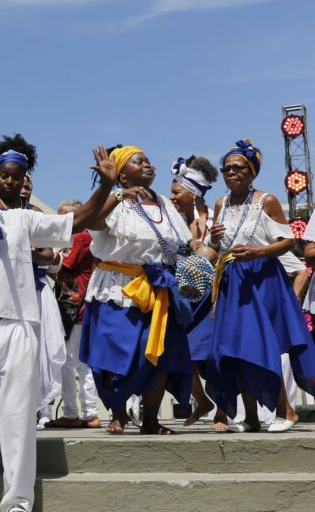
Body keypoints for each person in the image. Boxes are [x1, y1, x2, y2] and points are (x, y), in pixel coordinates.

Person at [0, 152, 115, 512]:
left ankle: (18, 501)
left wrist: (108, 184)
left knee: (18, 419)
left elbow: (77, 221)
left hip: (17, 327)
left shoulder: (19, 218)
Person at [78, 145, 197, 435]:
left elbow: (181, 243)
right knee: (113, 353)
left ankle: (151, 420)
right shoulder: (113, 200)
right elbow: (92, 222)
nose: (148, 164)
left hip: (158, 287)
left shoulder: (166, 204)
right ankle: (117, 413)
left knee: (157, 355)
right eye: (138, 161)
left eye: (148, 160)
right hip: (118, 288)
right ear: (121, 173)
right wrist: (115, 192)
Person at [205, 139, 315, 433]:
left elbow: (289, 241)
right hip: (231, 278)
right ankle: (250, 417)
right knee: (236, 347)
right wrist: (214, 239)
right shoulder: (221, 204)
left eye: (238, 168)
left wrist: (256, 253)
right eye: (226, 169)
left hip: (261, 276)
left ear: (251, 172)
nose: (231, 173)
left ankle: (287, 411)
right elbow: (215, 250)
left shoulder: (267, 200)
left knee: (262, 344)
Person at [0, 135, 66, 430]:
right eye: (4, 175)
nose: (10, 181)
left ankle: (28, 409)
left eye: (16, 176)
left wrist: (25, 250)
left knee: (31, 355)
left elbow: (47, 255)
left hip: (31, 292)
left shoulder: (33, 214)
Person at [167, 156, 229, 429]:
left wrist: (210, 245)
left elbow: (220, 253)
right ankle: (201, 400)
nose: (171, 197)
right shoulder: (170, 221)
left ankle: (222, 412)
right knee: (184, 352)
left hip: (214, 297)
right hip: (183, 297)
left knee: (214, 355)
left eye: (176, 192)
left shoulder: (217, 218)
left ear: (193, 195)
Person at [48, 199, 100, 428]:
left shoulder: (79, 237)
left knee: (69, 362)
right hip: (76, 306)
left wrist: (40, 257)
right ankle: (88, 412)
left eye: (63, 216)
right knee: (78, 363)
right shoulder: (80, 237)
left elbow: (64, 267)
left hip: (75, 307)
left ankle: (75, 412)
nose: (59, 220)